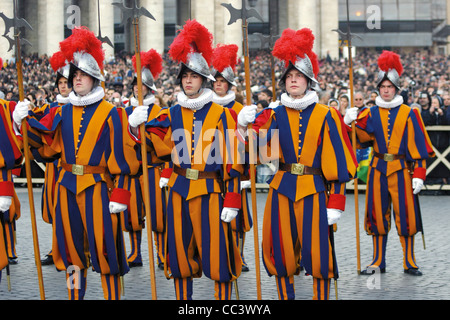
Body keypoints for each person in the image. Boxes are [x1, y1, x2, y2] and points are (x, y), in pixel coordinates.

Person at [13, 27, 139, 300]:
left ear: (95, 79)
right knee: (71, 252)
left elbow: (125, 158)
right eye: (75, 75)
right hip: (67, 187)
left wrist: (120, 194)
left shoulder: (112, 113)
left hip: (98, 189)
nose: (77, 79)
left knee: (106, 251)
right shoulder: (61, 111)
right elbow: (43, 143)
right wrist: (20, 121)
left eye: (83, 75)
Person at [238, 28, 357, 300]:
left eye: (298, 76)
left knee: (317, 252)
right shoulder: (274, 114)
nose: (293, 80)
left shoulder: (327, 115)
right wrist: (242, 126)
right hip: (282, 188)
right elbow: (252, 149)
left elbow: (338, 160)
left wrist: (337, 202)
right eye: (289, 76)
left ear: (308, 81)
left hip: (315, 190)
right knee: (280, 250)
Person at [129, 20, 244, 300]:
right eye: (184, 76)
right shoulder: (173, 113)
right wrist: (135, 126)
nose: (188, 80)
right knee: (179, 254)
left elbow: (233, 161)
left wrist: (232, 199)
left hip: (210, 191)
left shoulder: (221, 115)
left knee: (218, 257)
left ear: (203, 80)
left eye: (193, 76)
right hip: (179, 190)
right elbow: (151, 142)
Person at [347, 50, 433, 276]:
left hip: (401, 170)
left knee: (406, 216)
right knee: (376, 215)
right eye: (382, 87)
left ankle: (409, 261)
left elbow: (419, 147)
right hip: (377, 170)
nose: (386, 91)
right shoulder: (370, 112)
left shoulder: (409, 113)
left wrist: (419, 175)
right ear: (378, 89)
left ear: (396, 89)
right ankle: (377, 261)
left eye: (390, 87)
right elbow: (358, 140)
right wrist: (349, 123)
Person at [122, 49, 167, 269]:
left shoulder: (159, 112)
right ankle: (135, 253)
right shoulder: (125, 111)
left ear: (150, 89)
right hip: (132, 170)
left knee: (158, 215)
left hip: (152, 169)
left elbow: (163, 142)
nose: (137, 90)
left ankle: (161, 253)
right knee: (131, 215)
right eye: (134, 87)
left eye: (141, 87)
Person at [211, 43, 252, 272]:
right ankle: (222, 252)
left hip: (237, 169)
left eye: (222, 81)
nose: (218, 84)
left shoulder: (240, 108)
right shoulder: (206, 107)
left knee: (239, 217)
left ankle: (240, 255)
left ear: (229, 84)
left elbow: (253, 144)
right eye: (215, 80)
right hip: (213, 169)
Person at [36, 51, 72, 266]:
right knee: (55, 208)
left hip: (71, 167)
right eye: (60, 83)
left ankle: (78, 248)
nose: (63, 86)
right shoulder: (50, 108)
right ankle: (57, 247)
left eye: (66, 82)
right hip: (54, 167)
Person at [0, 58, 23, 283]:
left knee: (6, 215)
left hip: (0, 174)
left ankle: (9, 251)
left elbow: (14, 141)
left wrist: (17, 121)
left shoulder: (6, 107)